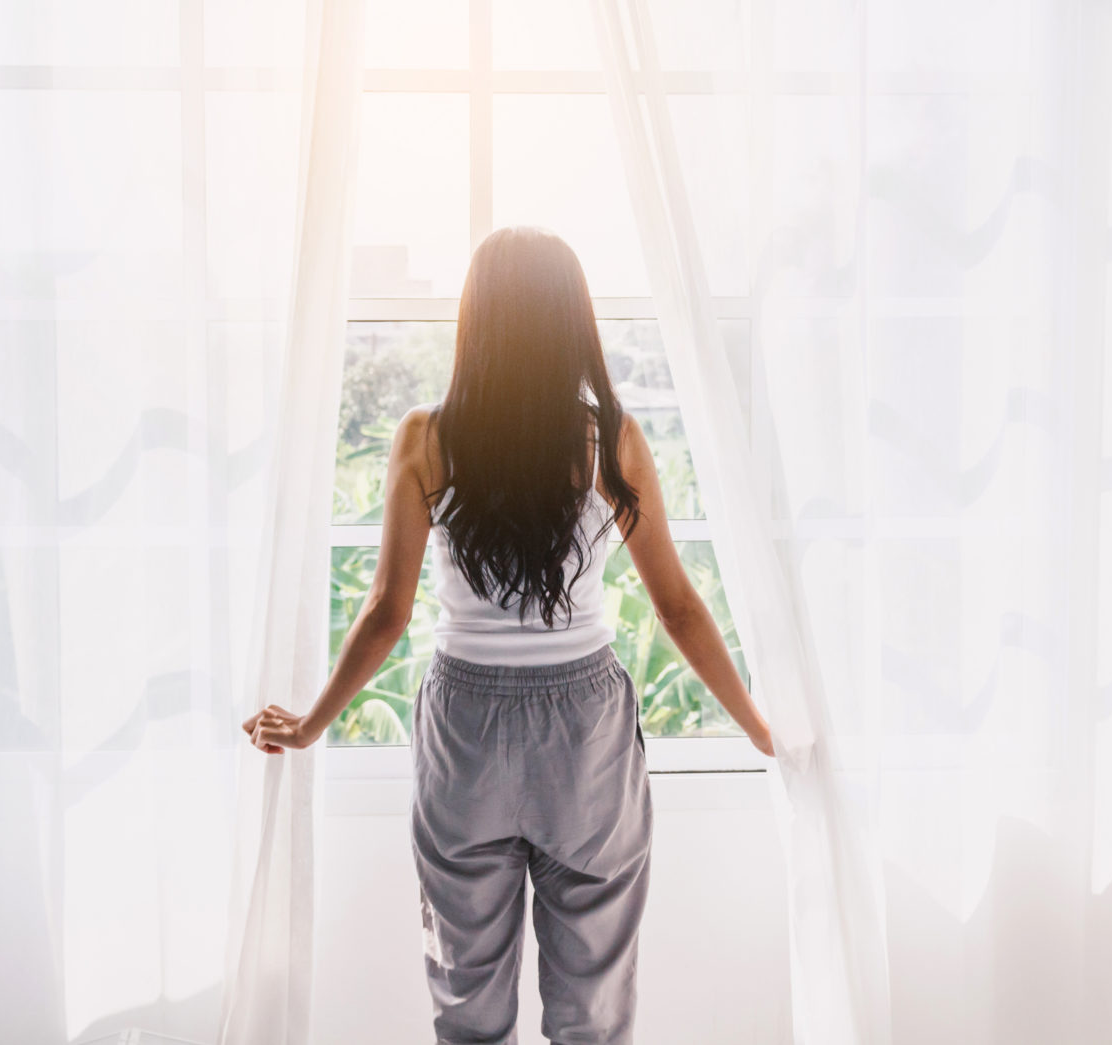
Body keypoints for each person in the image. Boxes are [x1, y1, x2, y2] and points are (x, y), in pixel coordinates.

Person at [243, 225, 774, 1044]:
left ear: (476, 319)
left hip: (466, 726)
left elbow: (388, 608)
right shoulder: (614, 440)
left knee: (468, 1003)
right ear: (572, 320)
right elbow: (677, 606)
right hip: (585, 733)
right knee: (592, 1009)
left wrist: (312, 723)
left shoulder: (427, 437)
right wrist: (760, 724)